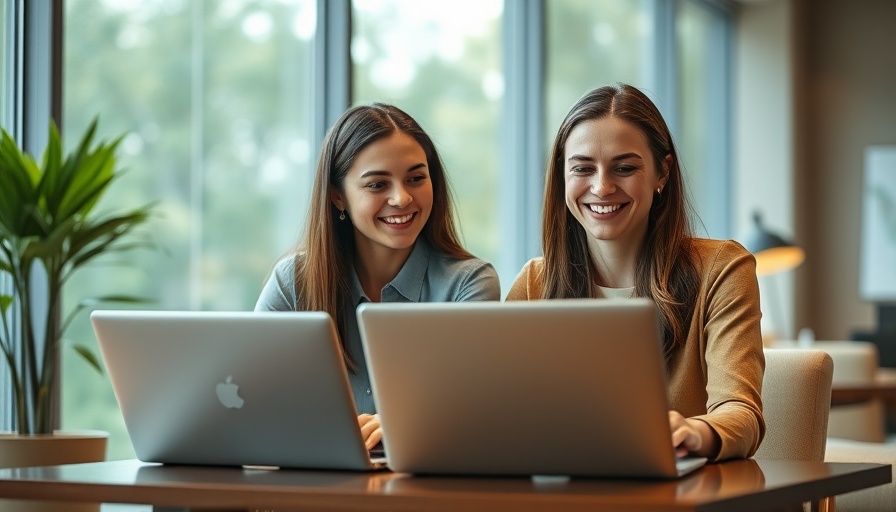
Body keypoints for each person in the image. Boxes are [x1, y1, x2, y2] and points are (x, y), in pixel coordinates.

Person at [506, 83, 764, 462]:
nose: (602, 187)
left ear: (663, 172)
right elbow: (492, 408)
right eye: (582, 168)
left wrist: (695, 431)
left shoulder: (722, 270)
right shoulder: (534, 283)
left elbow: (741, 414)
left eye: (624, 168)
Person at [256, 103, 501, 451]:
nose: (401, 198)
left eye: (416, 178)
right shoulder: (293, 281)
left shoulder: (469, 284)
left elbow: (472, 411)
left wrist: (405, 423)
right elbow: (255, 401)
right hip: (315, 488)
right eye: (377, 184)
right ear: (338, 196)